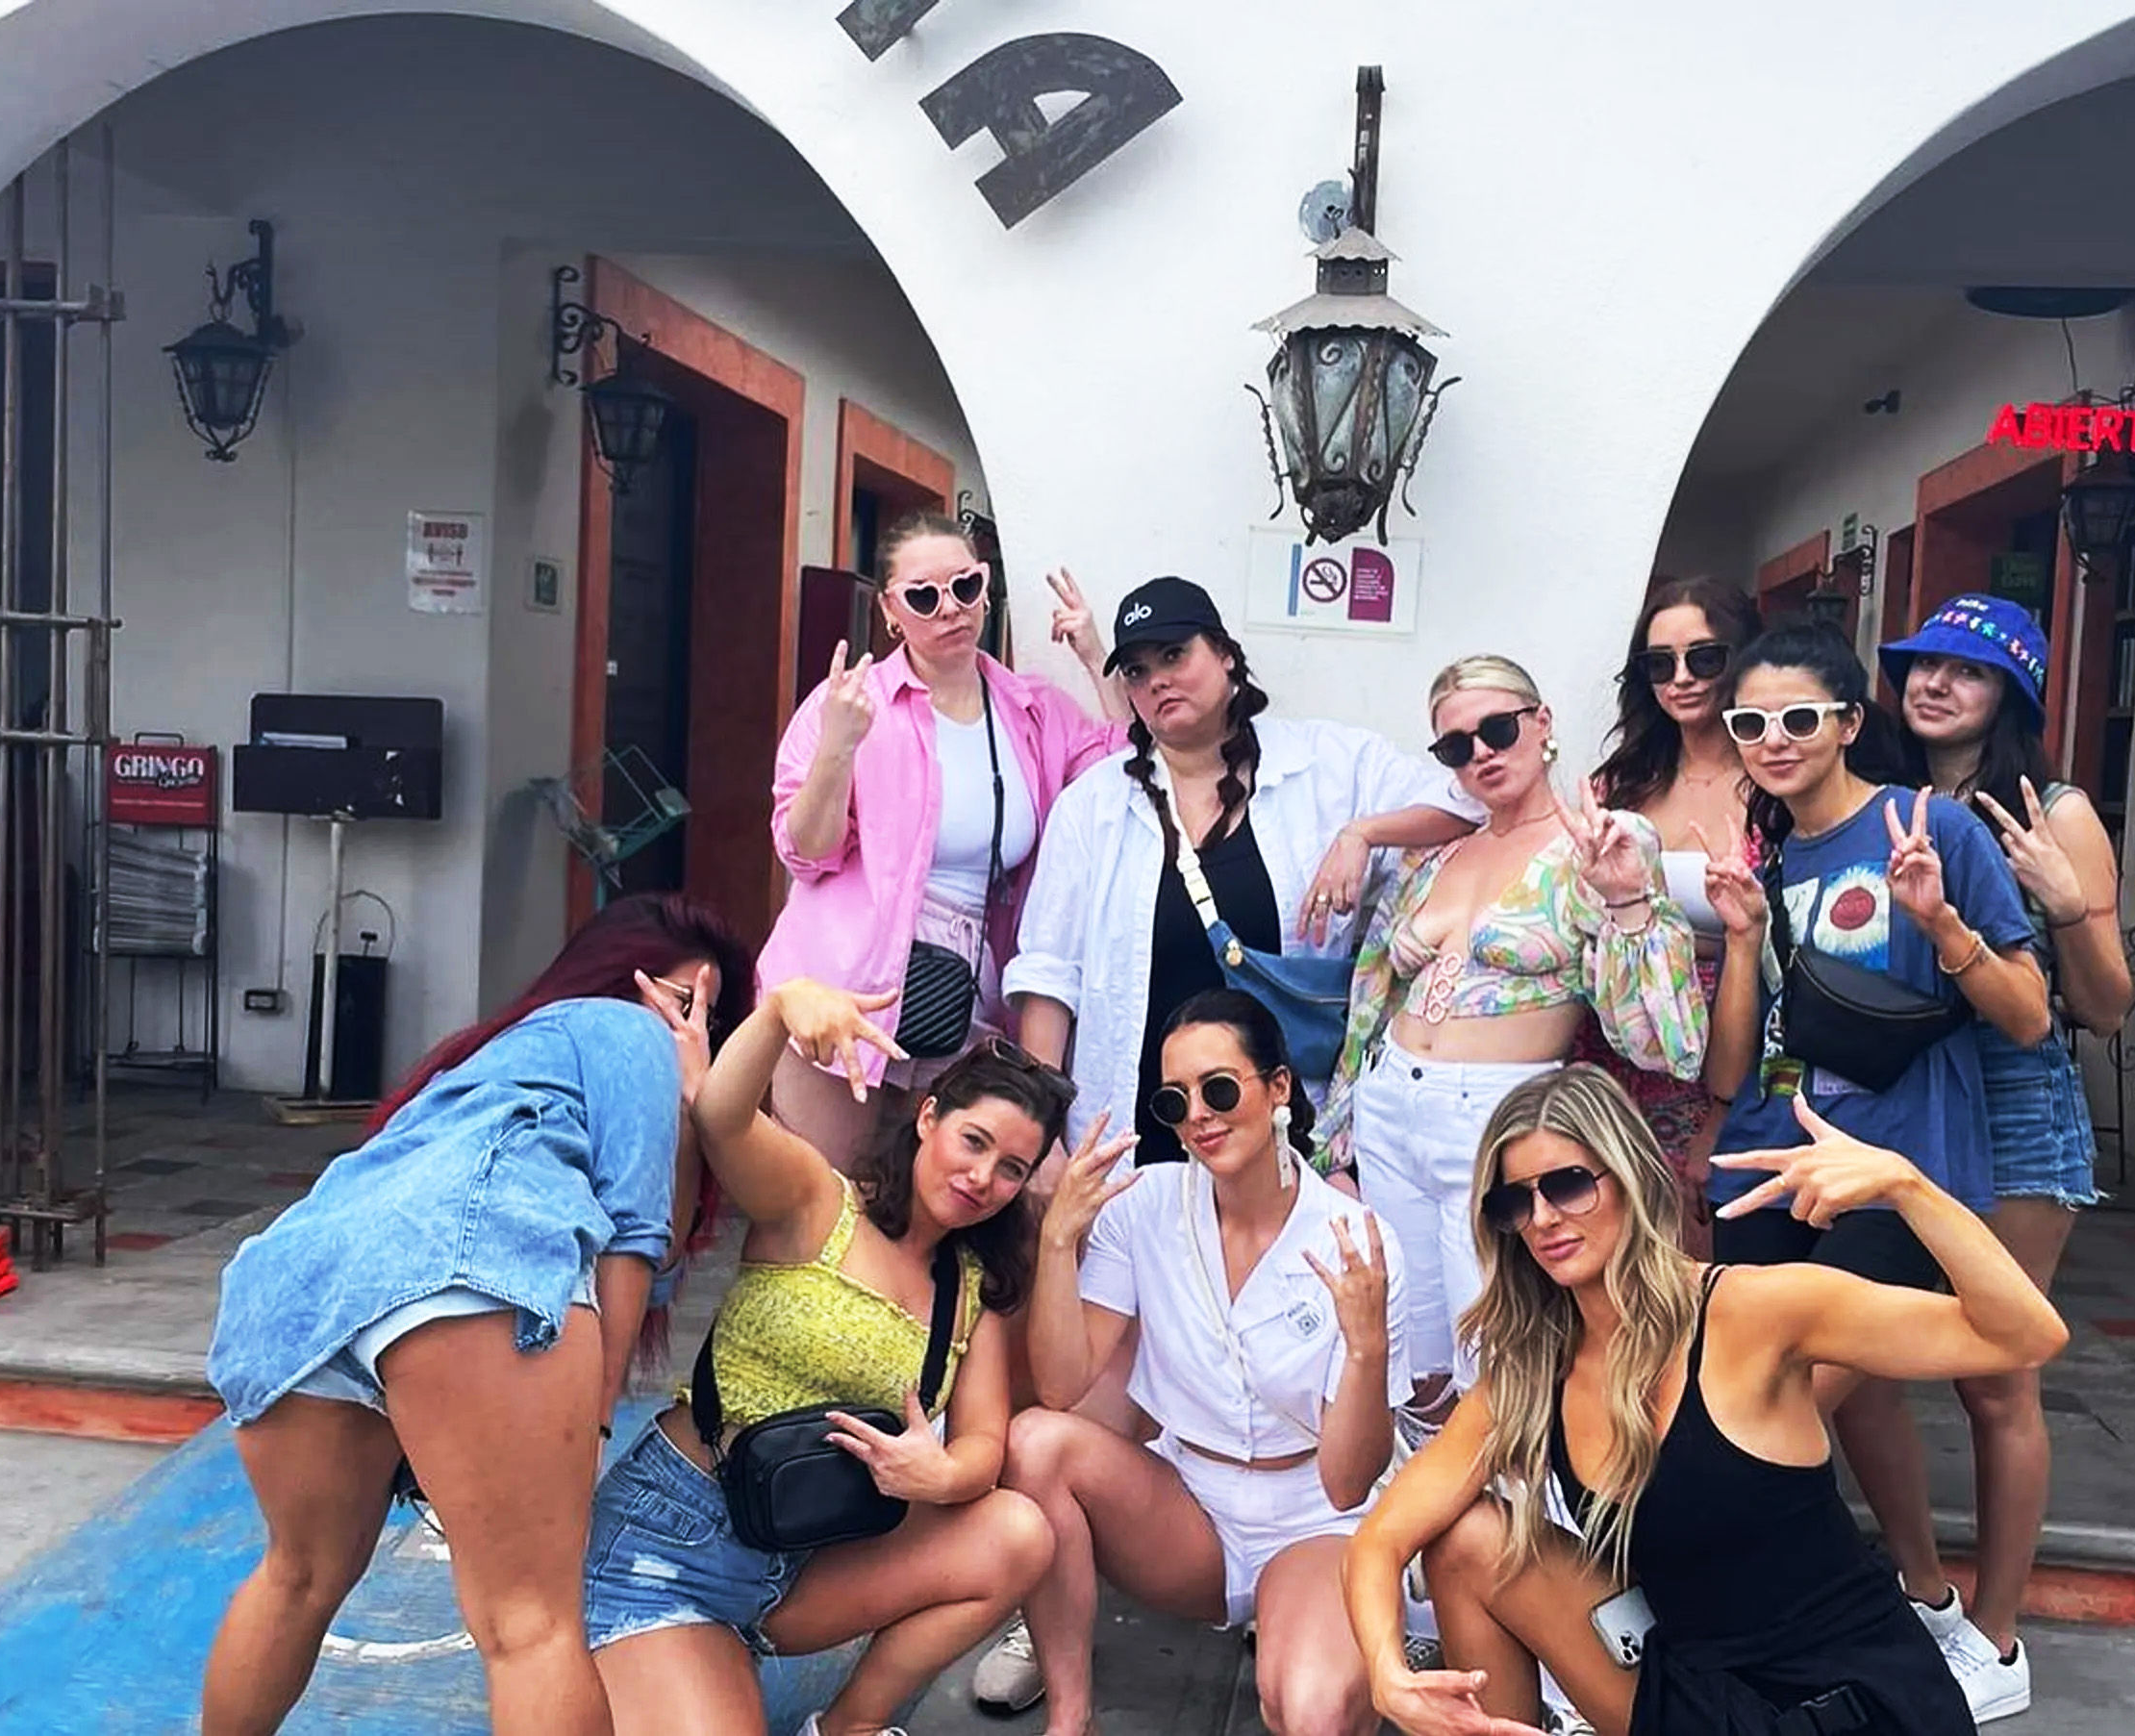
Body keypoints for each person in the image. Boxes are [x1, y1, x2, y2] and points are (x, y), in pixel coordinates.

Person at [1344, 1065, 2069, 1736]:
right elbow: (1382, 1536)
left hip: (1852, 1700)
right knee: (1468, 1540)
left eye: (1566, 1185)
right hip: (1694, 1690)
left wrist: (1908, 1186)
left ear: (1626, 1176)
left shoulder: (1750, 1310)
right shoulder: (1534, 1372)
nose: (1543, 1219)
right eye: (1513, 1202)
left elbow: (2024, 1335)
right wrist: (1385, 1669)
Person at [200, 893, 754, 1736]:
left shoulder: (499, 1056)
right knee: (531, 1625)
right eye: (706, 1010)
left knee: (298, 1576)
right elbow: (640, 1245)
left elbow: (656, 1236)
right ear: (684, 991)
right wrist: (591, 1420)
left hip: (302, 1282)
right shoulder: (632, 1030)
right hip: (472, 1260)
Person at [1695, 619, 2051, 1718]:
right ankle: (1919, 1592)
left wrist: (1942, 922)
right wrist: (1745, 938)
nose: (1772, 738)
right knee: (1821, 1401)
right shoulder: (1773, 855)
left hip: (1901, 1169)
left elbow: (2032, 1017)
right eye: (1750, 721)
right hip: (1771, 1158)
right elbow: (1727, 1068)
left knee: (1770, 1392)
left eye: (1800, 717)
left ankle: (1976, 1639)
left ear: (1851, 721)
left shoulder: (1931, 826)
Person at [585, 982, 1081, 1736]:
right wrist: (781, 1010)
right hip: (674, 1542)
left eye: (1013, 1167)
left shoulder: (969, 1287)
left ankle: (850, 1725)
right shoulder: (819, 1200)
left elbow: (984, 1442)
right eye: (974, 1141)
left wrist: (941, 1473)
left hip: (805, 1562)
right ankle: (679, 1659)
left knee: (1019, 1531)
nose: (984, 1178)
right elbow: (721, 1117)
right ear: (928, 1117)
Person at [1002, 989, 1411, 1736]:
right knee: (1034, 1442)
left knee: (1312, 1709)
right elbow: (1062, 1385)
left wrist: (1366, 1346)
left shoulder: (1358, 1239)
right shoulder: (1146, 1205)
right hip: (1190, 1500)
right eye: (1173, 1100)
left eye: (1219, 1087)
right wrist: (1059, 1244)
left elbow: (1349, 1478)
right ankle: (1069, 1718)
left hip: (1314, 1516)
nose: (1198, 1113)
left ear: (1279, 1088)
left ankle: (1317, 1639)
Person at [1871, 594, 2135, 1722]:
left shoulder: (2056, 807)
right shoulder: (1881, 786)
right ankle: (1923, 1592)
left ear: (2012, 694)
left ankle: (1999, 1633)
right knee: (1858, 1359)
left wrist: (2072, 908)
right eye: (1922, 665)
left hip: (2019, 1104)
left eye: (1966, 672)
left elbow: (2108, 1009)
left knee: (1995, 1373)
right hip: (1903, 1090)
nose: (1935, 684)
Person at [1325, 653, 1704, 1423]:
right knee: (1412, 1350)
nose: (1481, 755)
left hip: (1499, 1113)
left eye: (1497, 729)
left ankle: (1512, 1528)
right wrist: (1338, 1133)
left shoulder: (1596, 839)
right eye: (1455, 747)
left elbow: (1663, 1040)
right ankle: (1422, 1525)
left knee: (1500, 1351)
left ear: (1543, 724)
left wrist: (1626, 898)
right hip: (1393, 1101)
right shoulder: (1437, 852)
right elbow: (1370, 1002)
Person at [1006, 574, 1479, 1171]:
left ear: (1226, 656)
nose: (1157, 681)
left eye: (1175, 655)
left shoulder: (1326, 769)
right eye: (1137, 671)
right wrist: (1043, 1140)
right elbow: (1050, 979)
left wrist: (1363, 833)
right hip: (1134, 1138)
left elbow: (1469, 802)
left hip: (1284, 1134)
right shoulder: (1091, 807)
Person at [763, 510, 1125, 1169]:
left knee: (937, 1207)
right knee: (815, 1200)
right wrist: (837, 750)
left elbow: (1128, 765)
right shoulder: (848, 702)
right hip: (851, 982)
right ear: (892, 610)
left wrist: (1098, 657)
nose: (950, 609)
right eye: (924, 597)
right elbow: (806, 852)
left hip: (970, 992)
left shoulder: (1030, 709)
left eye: (965, 586)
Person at [1580, 578, 1766, 1240]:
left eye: (1704, 658)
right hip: (1617, 1053)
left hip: (1731, 1055)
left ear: (1743, 657)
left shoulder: (1777, 778)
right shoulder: (1620, 783)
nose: (1681, 678)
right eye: (1659, 663)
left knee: (1701, 1278)